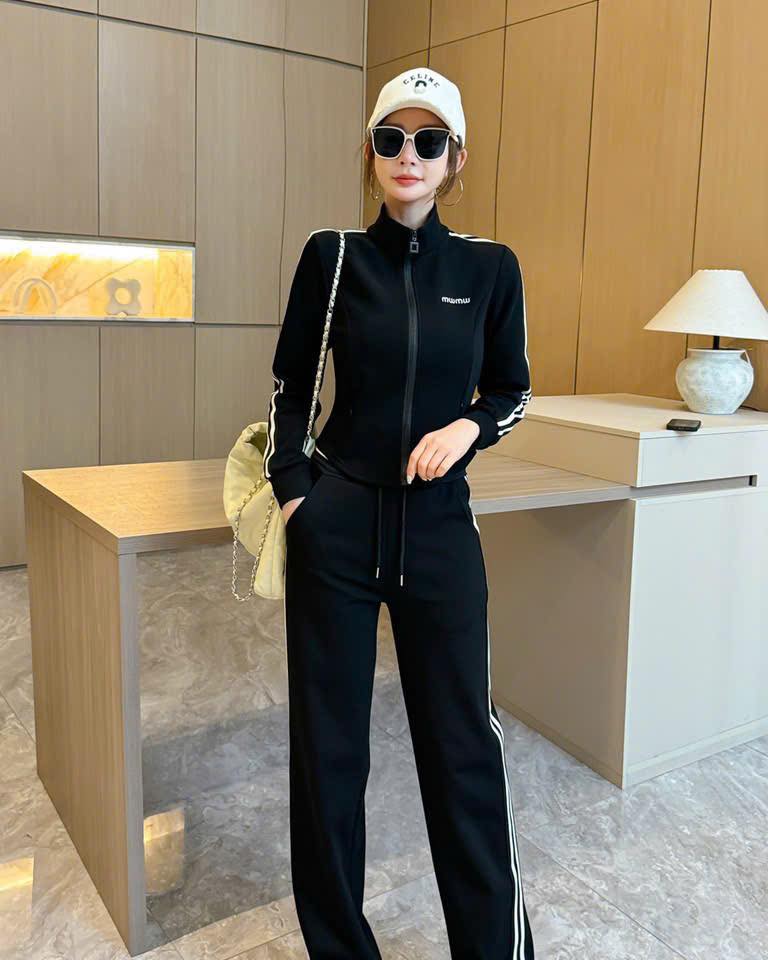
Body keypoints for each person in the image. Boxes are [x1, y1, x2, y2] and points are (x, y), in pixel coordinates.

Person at [264, 66, 535, 960]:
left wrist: (468, 427)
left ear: (455, 158)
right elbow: (291, 389)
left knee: (464, 749)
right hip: (337, 528)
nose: (407, 155)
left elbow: (512, 390)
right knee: (329, 753)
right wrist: (297, 497)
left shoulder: (490, 268)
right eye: (391, 138)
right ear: (372, 153)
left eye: (428, 140)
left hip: (440, 529)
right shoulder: (333, 256)